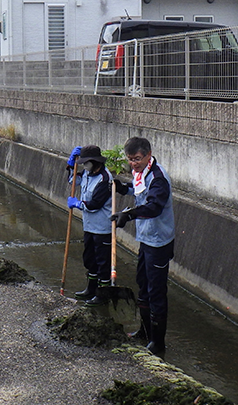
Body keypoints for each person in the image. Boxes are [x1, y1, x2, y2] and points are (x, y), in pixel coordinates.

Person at [111, 136, 174, 358]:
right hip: (146, 239)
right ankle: (144, 333)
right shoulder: (142, 173)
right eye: (130, 159)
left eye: (137, 159)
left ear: (148, 155)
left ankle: (158, 343)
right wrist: (122, 188)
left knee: (156, 292)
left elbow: (154, 207)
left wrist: (128, 215)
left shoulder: (158, 178)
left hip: (159, 243)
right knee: (143, 286)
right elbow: (138, 190)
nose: (133, 163)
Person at [65, 145, 114, 307]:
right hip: (89, 226)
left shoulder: (105, 179)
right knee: (89, 258)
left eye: (86, 163)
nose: (84, 166)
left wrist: (77, 204)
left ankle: (103, 293)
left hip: (102, 228)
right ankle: (91, 288)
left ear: (95, 162)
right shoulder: (87, 173)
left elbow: (95, 204)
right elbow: (73, 181)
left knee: (102, 261)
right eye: (83, 163)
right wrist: (70, 165)